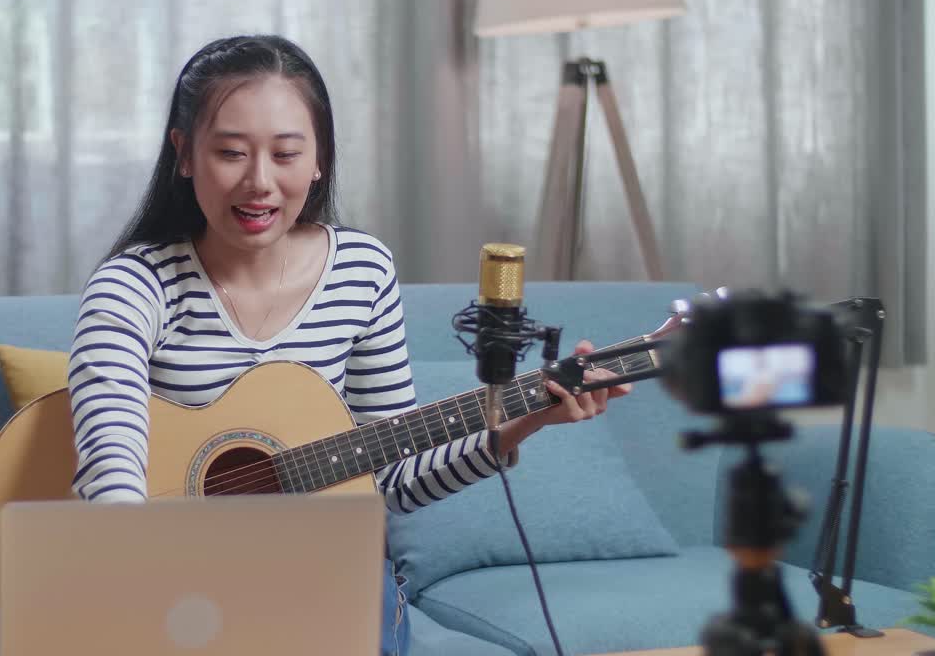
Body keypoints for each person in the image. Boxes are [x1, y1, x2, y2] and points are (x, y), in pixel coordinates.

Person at [67, 34, 632, 656]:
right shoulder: (133, 283)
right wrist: (144, 569)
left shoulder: (361, 270)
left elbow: (390, 479)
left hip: (317, 577)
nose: (259, 183)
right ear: (183, 155)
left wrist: (521, 423)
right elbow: (109, 442)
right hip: (164, 582)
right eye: (230, 152)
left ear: (319, 160)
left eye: (286, 154)